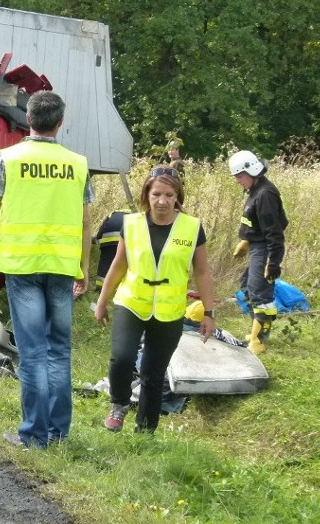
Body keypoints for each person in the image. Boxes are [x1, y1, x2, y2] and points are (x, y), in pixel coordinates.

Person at [0, 90, 92, 448]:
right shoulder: (78, 164)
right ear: (61, 123)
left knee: (34, 351)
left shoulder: (8, 158)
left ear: (28, 119)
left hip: (21, 268)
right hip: (62, 267)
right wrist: (83, 266)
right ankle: (57, 432)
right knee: (59, 350)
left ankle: (34, 435)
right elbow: (86, 222)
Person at [94, 166, 215, 433]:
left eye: (169, 195)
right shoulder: (132, 223)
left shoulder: (192, 227)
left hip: (169, 309)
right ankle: (119, 404)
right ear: (147, 194)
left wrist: (209, 312)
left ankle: (145, 430)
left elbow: (203, 272)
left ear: (177, 197)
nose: (162, 201)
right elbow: (118, 264)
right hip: (132, 301)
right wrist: (102, 301)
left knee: (153, 371)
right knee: (122, 358)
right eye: (157, 194)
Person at [228, 150, 288, 354]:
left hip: (265, 248)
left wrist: (273, 263)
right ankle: (256, 329)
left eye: (239, 176)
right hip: (255, 245)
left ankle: (260, 339)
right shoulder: (255, 189)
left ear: (251, 171)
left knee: (260, 292)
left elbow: (274, 232)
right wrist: (246, 240)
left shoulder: (265, 195)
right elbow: (256, 221)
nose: (237, 181)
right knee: (247, 287)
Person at [94, 208, 131, 289]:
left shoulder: (112, 214)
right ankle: (119, 287)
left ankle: (100, 287)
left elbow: (103, 227)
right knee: (123, 263)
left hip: (107, 240)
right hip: (124, 241)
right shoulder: (133, 217)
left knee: (105, 261)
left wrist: (97, 238)